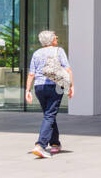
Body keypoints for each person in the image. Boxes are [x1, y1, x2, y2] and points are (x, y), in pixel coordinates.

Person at [25, 30, 74, 158]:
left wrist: (27, 90)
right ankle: (40, 145)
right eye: (55, 37)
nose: (56, 38)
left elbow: (31, 73)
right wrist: (71, 86)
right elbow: (67, 69)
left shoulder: (36, 53)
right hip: (55, 85)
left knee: (49, 114)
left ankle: (55, 144)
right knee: (50, 115)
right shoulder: (58, 50)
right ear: (51, 40)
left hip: (39, 87)